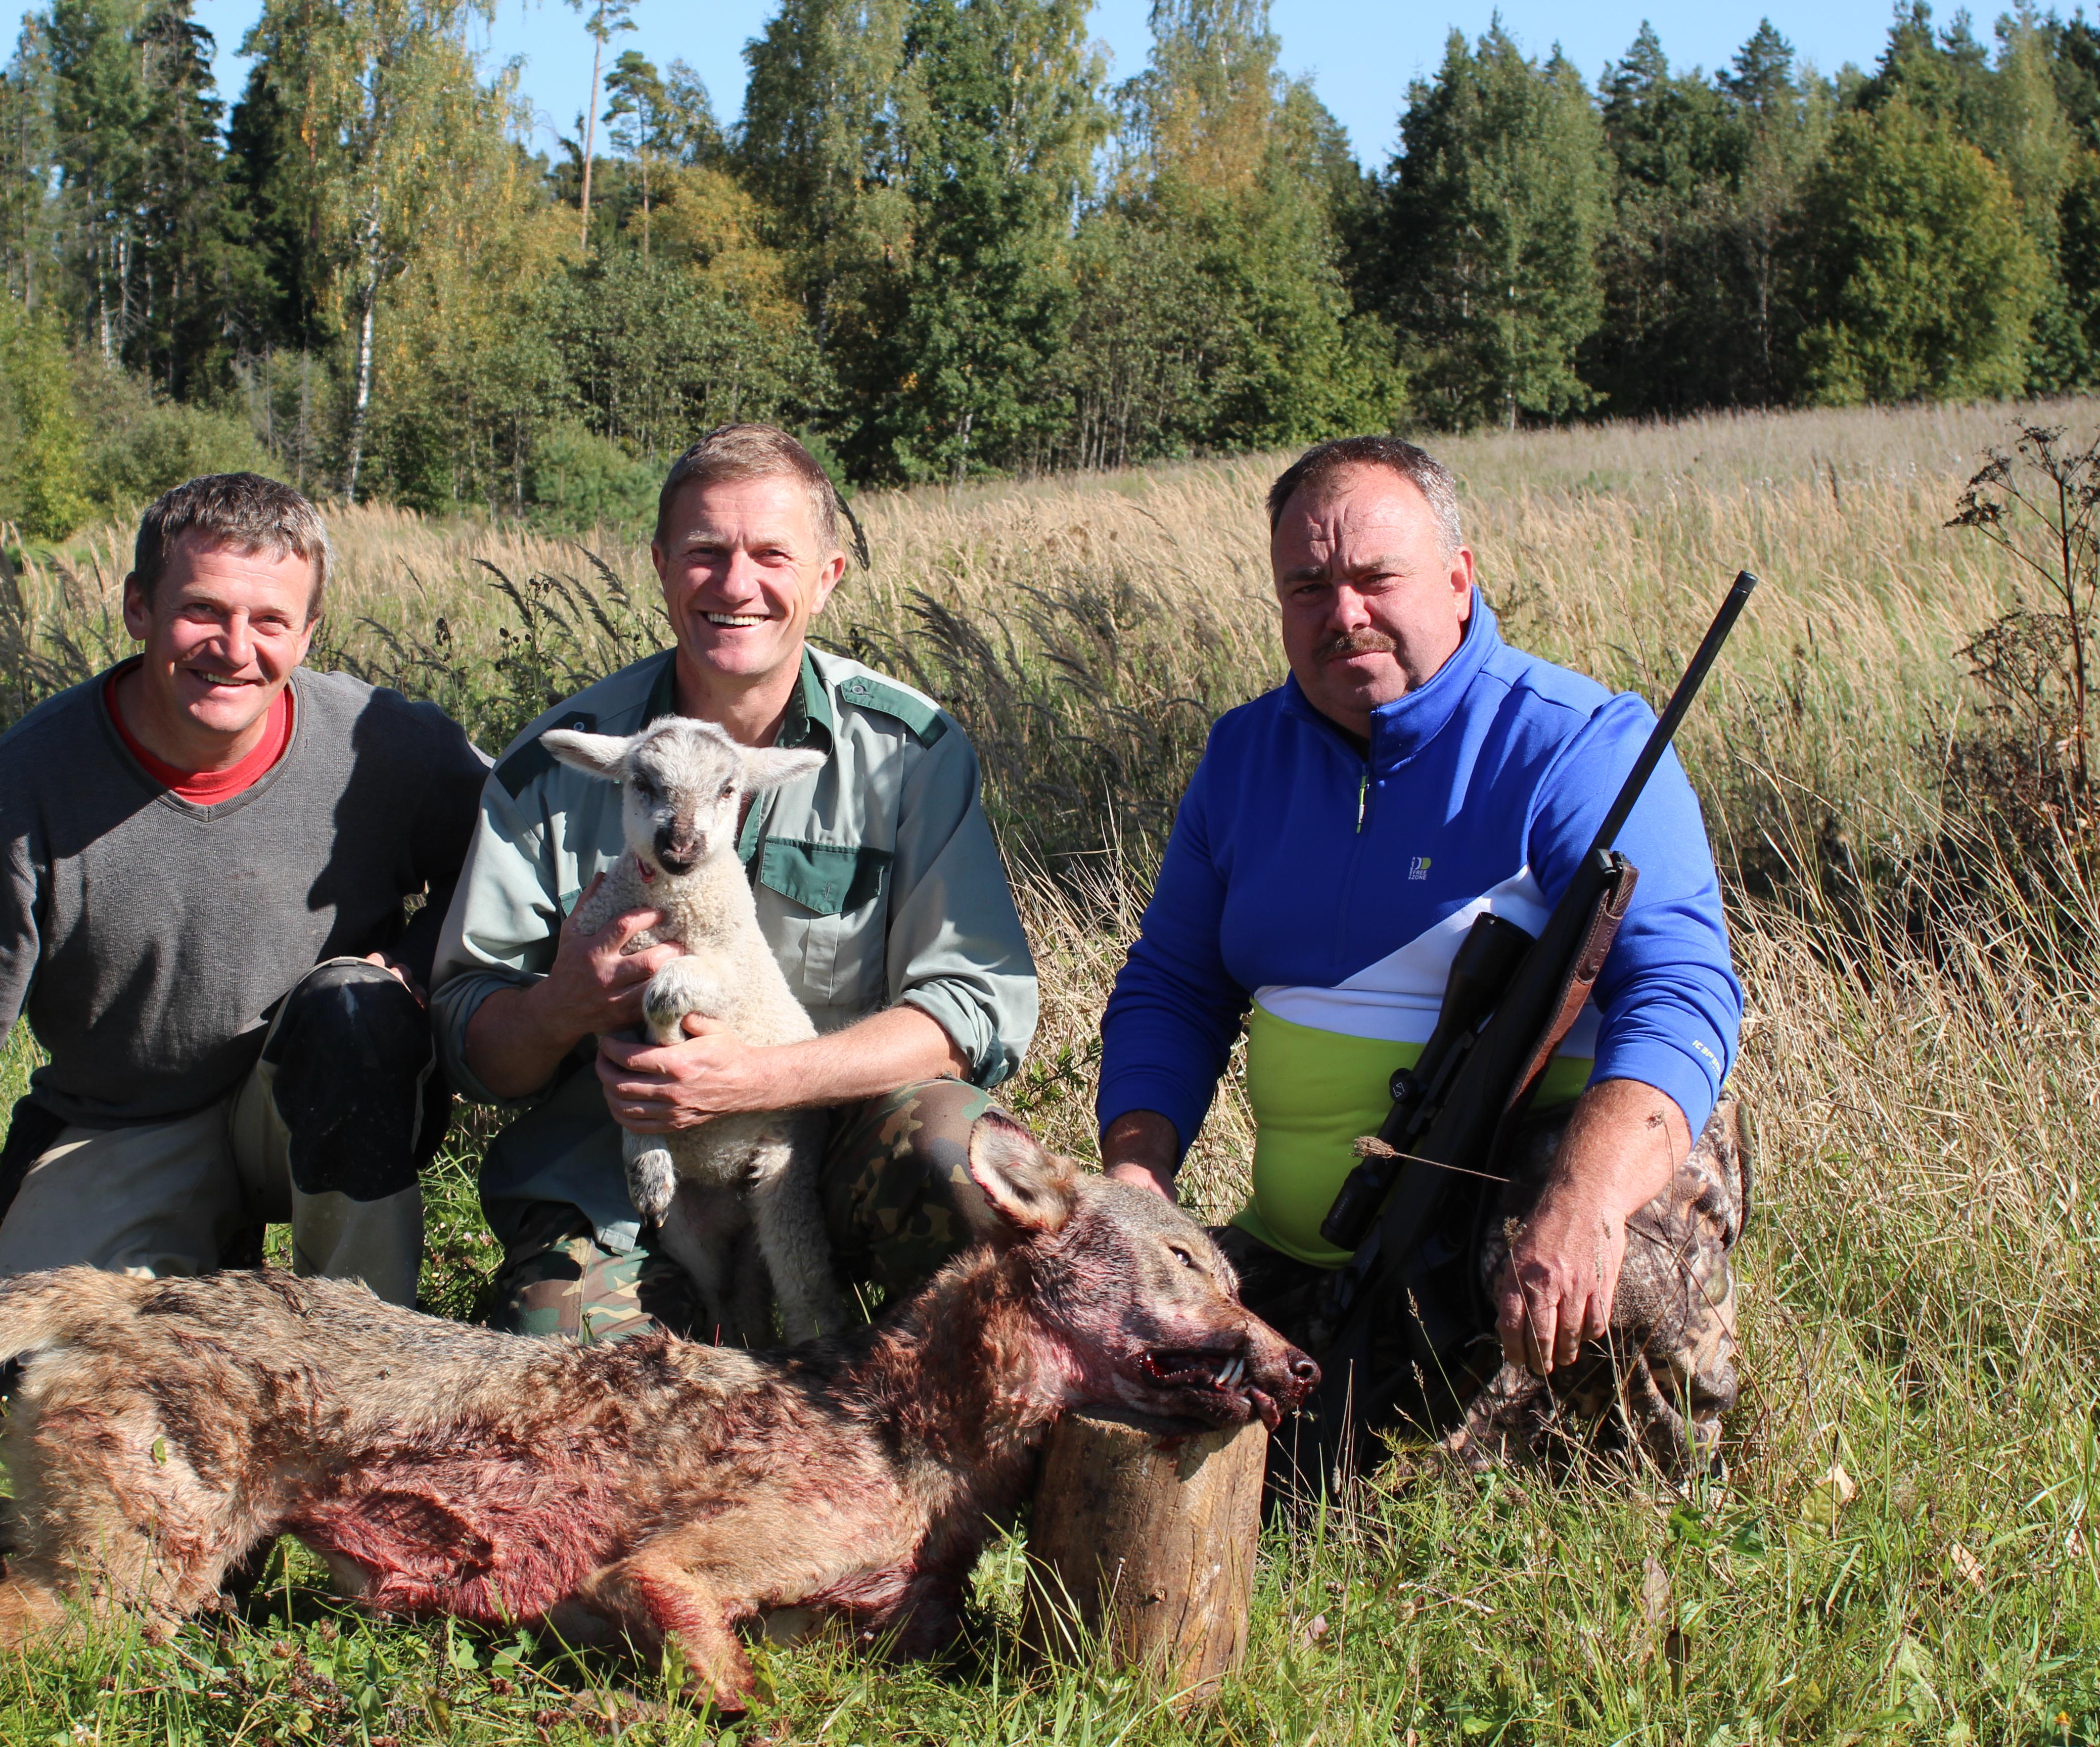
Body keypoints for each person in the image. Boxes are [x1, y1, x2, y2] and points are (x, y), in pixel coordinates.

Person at [1096, 436, 1747, 1472]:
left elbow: (1681, 986)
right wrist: (1136, 1183)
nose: (1343, 613)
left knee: (1603, 1285)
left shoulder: (1582, 744)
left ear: (1458, 578)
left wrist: (1584, 1201)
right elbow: (1174, 988)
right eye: (1307, 587)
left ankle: (1655, 1511)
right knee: (1129, 1386)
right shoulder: (1241, 759)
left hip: (1536, 1192)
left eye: (1374, 578)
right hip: (1329, 1235)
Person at [432, 423, 1039, 1342]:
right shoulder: (556, 767)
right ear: (662, 565)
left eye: (771, 554)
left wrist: (753, 1079)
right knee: (590, 1402)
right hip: (618, 1185)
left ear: (828, 576)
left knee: (965, 1164)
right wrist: (564, 1005)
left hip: (825, 1145)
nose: (736, 584)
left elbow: (972, 1010)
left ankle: (911, 1429)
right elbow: (468, 1040)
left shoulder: (906, 756)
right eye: (706, 552)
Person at [0, 473, 489, 1321]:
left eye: (270, 621)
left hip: (315, 1096)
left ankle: (363, 1350)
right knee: (24, 1386)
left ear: (308, 634)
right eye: (203, 612)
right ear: (138, 609)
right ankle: (187, 1262)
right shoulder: (28, 788)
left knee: (355, 1012)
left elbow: (513, 851)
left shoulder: (383, 746)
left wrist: (411, 965)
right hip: (126, 1125)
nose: (234, 647)